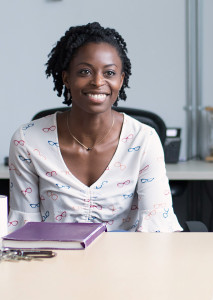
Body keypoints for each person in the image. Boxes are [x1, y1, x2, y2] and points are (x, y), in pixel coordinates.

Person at [7, 22, 182, 233]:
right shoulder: (27, 141)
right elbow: (25, 230)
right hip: (54, 259)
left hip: (127, 262)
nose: (98, 82)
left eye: (109, 73)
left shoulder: (144, 140)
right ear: (66, 78)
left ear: (121, 79)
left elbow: (157, 230)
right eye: (84, 72)